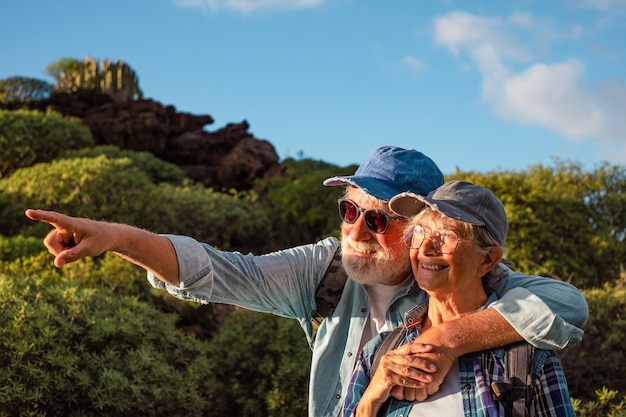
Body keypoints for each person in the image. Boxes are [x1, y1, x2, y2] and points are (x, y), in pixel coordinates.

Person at [24, 146, 587, 417]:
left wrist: (443, 341)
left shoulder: (454, 282)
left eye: (378, 219)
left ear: (421, 229)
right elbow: (219, 272)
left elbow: (563, 304)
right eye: (349, 211)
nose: (357, 232)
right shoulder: (325, 271)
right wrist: (118, 237)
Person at [343, 180, 575, 417]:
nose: (425, 249)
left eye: (446, 236)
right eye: (419, 233)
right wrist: (368, 405)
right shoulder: (379, 352)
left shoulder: (529, 359)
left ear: (487, 260)